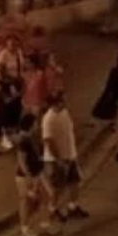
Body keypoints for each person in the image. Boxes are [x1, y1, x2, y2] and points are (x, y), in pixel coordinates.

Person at [40, 95, 83, 223]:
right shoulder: (48, 119)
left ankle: (72, 206)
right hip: (56, 160)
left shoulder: (64, 112)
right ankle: (53, 209)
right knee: (58, 187)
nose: (63, 104)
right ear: (54, 104)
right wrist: (58, 159)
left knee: (74, 182)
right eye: (60, 102)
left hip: (70, 155)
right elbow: (48, 141)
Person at [12, 127, 51, 236]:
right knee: (25, 201)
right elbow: (22, 163)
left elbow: (41, 161)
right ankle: (25, 228)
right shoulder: (24, 142)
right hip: (25, 177)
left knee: (43, 198)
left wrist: (38, 181)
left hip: (36, 174)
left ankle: (44, 224)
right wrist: (30, 180)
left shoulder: (38, 142)